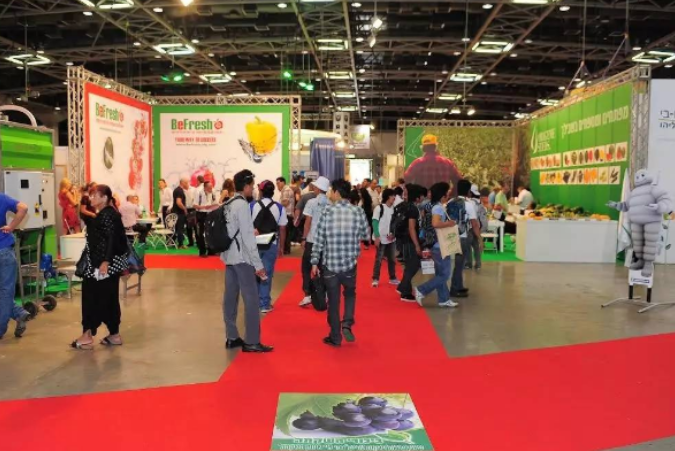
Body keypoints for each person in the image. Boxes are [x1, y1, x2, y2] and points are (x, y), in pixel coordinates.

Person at [311, 179, 370, 347]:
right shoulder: (357, 211)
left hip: (330, 265)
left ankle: (335, 336)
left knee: (333, 301)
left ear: (337, 193)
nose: (330, 193)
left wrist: (314, 262)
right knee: (350, 293)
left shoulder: (327, 211)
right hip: (350, 264)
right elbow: (366, 235)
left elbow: (318, 239)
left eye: (331, 191)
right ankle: (347, 323)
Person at [71, 185, 128, 349]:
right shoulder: (108, 213)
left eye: (95, 196)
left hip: (100, 266)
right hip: (103, 265)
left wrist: (105, 261)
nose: (91, 198)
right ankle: (114, 334)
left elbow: (110, 239)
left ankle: (87, 335)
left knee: (92, 297)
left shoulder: (107, 215)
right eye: (91, 195)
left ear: (104, 198)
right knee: (109, 298)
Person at [222, 170, 273, 353]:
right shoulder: (242, 205)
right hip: (242, 259)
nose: (253, 189)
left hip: (229, 258)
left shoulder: (228, 203)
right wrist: (258, 265)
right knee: (251, 299)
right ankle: (252, 340)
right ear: (245, 186)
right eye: (251, 186)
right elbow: (248, 238)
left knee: (230, 298)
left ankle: (232, 336)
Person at [413, 182, 458, 308]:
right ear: (442, 194)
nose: (448, 194)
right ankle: (421, 290)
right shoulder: (438, 208)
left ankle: (444, 299)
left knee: (440, 273)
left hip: (434, 243)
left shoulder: (430, 205)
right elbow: (436, 224)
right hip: (440, 244)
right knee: (445, 274)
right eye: (447, 192)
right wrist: (449, 224)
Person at [251, 180, 287, 314]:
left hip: (254, 244)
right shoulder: (279, 208)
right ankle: (264, 304)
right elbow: (282, 229)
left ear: (260, 191)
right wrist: (281, 247)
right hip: (271, 244)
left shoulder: (252, 205)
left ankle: (254, 302)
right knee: (266, 273)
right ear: (273, 192)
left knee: (254, 272)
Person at [0, 194, 30, 340]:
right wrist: (11, 227)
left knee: (4, 292)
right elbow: (23, 208)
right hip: (5, 249)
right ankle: (19, 313)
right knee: (6, 291)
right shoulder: (1, 198)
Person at [298, 177, 330, 307]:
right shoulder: (331, 204)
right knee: (324, 268)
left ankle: (307, 295)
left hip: (312, 240)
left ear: (317, 188)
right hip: (326, 241)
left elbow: (308, 222)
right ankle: (324, 293)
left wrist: (304, 238)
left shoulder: (311, 202)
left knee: (306, 267)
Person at [448, 180, 482, 297]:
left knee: (459, 262)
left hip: (452, 235)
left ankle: (459, 285)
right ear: (468, 191)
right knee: (460, 263)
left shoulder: (451, 201)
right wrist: (480, 239)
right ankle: (454, 288)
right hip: (464, 236)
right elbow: (474, 224)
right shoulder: (469, 204)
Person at [396, 184, 426, 303]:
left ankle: (403, 288)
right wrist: (417, 245)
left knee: (410, 265)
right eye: (421, 195)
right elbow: (411, 228)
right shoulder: (412, 208)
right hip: (410, 241)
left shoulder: (404, 205)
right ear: (417, 196)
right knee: (413, 265)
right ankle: (405, 292)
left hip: (403, 240)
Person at [371, 188, 399, 287]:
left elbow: (395, 224)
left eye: (394, 195)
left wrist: (393, 234)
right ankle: (375, 278)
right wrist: (377, 237)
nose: (394, 197)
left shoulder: (394, 209)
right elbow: (375, 222)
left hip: (391, 238)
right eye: (392, 195)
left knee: (392, 259)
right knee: (378, 259)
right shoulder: (379, 208)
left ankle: (392, 277)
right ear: (387, 197)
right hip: (381, 238)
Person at [465, 184, 488, 271]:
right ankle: (478, 264)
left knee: (468, 246)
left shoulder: (470, 202)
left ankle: (468, 263)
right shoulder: (479, 202)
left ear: (470, 192)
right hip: (477, 227)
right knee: (476, 246)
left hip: (470, 226)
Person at [195, 181, 219, 257]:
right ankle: (202, 251)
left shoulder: (213, 192)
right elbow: (194, 205)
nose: (211, 189)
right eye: (209, 188)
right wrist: (204, 207)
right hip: (201, 214)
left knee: (211, 232)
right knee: (201, 233)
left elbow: (216, 202)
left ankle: (211, 250)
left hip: (210, 213)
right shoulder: (199, 192)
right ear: (205, 187)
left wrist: (214, 206)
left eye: (211, 187)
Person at [276, 177, 296, 254]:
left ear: (282, 182)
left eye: (278, 183)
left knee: (285, 234)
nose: (277, 185)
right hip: (287, 214)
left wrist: (276, 205)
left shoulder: (286, 190)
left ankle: (285, 250)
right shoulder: (286, 190)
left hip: (287, 214)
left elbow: (285, 203)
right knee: (286, 234)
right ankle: (285, 250)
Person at [172, 178, 189, 249]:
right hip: (179, 213)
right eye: (187, 183)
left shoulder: (176, 190)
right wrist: (184, 209)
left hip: (175, 212)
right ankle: (181, 244)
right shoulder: (180, 191)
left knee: (176, 228)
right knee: (180, 229)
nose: (188, 184)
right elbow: (178, 202)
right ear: (183, 183)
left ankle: (174, 242)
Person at [359, 182, 374, 249]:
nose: (359, 194)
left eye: (360, 193)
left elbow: (365, 208)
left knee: (365, 228)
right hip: (369, 213)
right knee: (370, 227)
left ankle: (366, 243)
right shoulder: (367, 198)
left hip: (366, 214)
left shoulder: (365, 200)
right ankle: (371, 240)